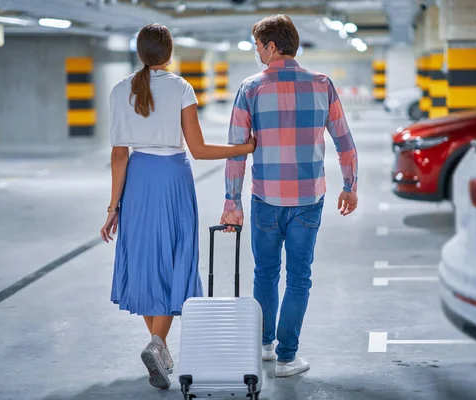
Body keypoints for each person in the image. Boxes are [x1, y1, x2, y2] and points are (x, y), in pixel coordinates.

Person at [100, 23, 255, 390]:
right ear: (169, 52)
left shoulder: (120, 90)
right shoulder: (180, 88)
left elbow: (119, 156)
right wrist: (244, 148)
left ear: (140, 52)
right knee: (174, 258)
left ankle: (160, 347)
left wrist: (112, 207)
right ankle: (158, 344)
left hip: (137, 179)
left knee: (148, 261)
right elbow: (199, 150)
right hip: (172, 177)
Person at [220, 14, 358, 378]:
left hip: (265, 197)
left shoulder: (250, 88)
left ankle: (265, 345)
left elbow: (236, 149)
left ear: (271, 46)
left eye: (257, 46)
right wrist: (350, 185)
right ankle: (286, 358)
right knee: (299, 277)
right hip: (308, 198)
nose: (256, 53)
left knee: (264, 273)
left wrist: (231, 201)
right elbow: (344, 141)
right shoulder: (322, 84)